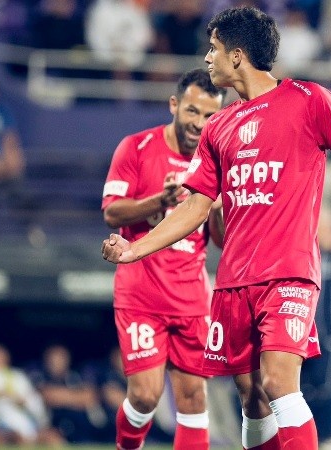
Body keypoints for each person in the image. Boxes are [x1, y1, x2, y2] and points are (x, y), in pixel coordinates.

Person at [102, 6, 331, 450]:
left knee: (278, 383)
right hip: (234, 281)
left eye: (213, 49)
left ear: (237, 56)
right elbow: (196, 206)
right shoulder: (219, 126)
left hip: (289, 273)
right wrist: (135, 250)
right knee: (252, 399)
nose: (207, 59)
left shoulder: (308, 99)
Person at [101, 68, 226, 450]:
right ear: (174, 104)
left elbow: (220, 241)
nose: (199, 123)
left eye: (208, 116)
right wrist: (162, 200)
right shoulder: (136, 147)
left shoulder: (217, 162)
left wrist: (217, 206)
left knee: (193, 398)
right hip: (141, 295)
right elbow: (112, 212)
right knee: (145, 396)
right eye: (192, 111)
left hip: (191, 299)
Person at [0, 343, 63, 446]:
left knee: (53, 438)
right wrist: (2, 399)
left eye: (0, 355)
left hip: (23, 422)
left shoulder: (17, 376)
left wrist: (20, 401)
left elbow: (33, 400)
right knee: (3, 438)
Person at [30, 344, 105, 443]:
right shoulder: (39, 376)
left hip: (81, 430)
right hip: (52, 427)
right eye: (52, 359)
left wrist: (63, 398)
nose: (56, 362)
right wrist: (76, 398)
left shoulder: (75, 377)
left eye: (60, 358)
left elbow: (90, 397)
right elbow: (47, 396)